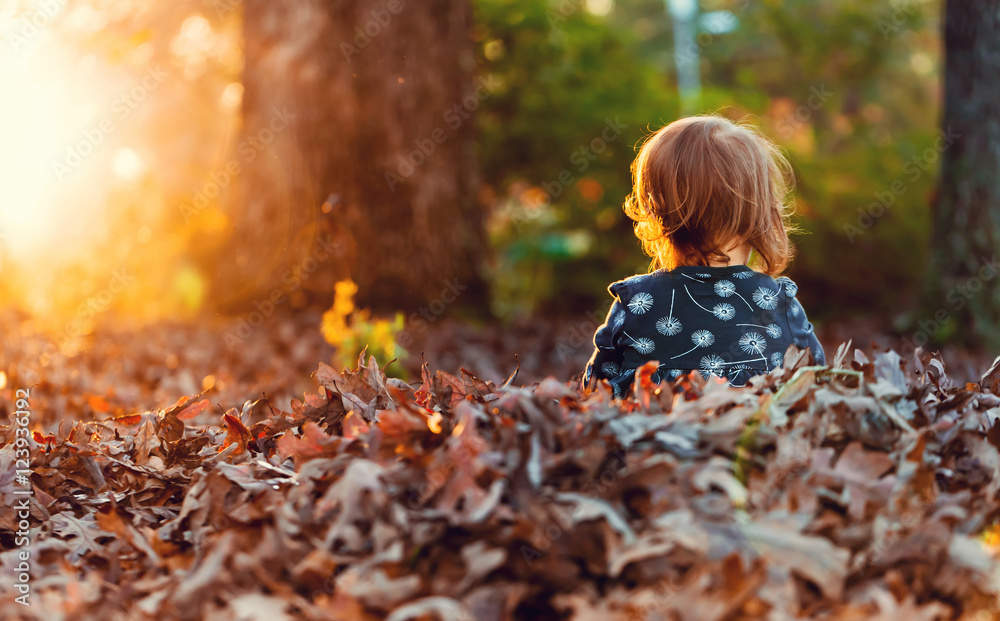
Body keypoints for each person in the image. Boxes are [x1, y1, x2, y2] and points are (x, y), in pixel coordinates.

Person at [584, 114, 824, 397]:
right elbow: (816, 383)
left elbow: (594, 392)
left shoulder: (637, 301)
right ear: (759, 215)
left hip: (652, 437)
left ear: (655, 213)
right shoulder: (778, 301)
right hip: (752, 438)